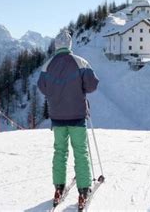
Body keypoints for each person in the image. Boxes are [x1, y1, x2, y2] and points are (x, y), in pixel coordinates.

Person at [37, 30, 99, 208]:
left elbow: (43, 87)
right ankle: (83, 190)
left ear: (57, 45)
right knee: (80, 152)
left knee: (60, 151)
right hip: (77, 116)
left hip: (57, 117)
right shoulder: (80, 62)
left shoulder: (47, 65)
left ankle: (58, 187)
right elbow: (92, 84)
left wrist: (56, 94)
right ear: (70, 44)